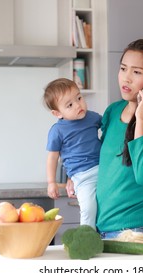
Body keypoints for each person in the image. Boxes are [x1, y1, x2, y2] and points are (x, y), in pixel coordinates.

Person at [67, 39, 143, 238]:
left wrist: (141, 116)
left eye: (136, 72)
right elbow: (104, 161)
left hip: (131, 231)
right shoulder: (113, 112)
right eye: (123, 69)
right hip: (99, 227)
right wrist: (78, 176)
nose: (126, 78)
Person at [43, 78, 101, 230]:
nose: (78, 105)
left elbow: (111, 126)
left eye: (79, 98)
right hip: (82, 177)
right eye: (69, 105)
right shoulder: (57, 131)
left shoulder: (92, 117)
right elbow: (52, 158)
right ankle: (87, 238)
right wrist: (51, 182)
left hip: (104, 168)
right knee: (88, 209)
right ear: (57, 113)